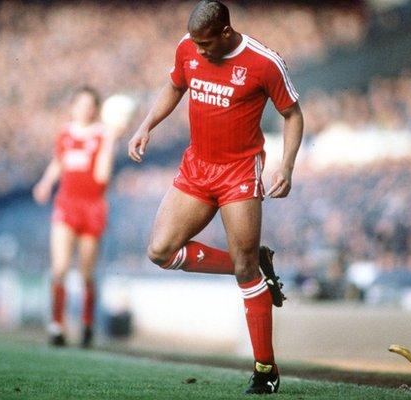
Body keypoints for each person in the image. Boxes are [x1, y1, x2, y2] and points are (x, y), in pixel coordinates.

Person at [128, 1, 304, 394]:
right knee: (161, 251)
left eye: (207, 44)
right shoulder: (188, 47)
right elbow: (175, 85)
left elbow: (293, 114)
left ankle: (265, 370)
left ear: (226, 32)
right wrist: (146, 126)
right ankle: (252, 266)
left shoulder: (264, 62)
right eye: (196, 43)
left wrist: (286, 166)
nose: (200, 51)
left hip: (239, 173)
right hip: (197, 168)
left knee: (245, 274)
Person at [34, 87, 124, 348]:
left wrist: (109, 142)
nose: (86, 109)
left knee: (86, 273)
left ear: (96, 109)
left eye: (90, 105)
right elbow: (59, 161)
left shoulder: (102, 135)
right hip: (66, 204)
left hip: (93, 206)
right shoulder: (65, 133)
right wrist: (45, 182)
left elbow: (102, 177)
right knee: (60, 268)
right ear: (73, 107)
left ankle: (86, 325)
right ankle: (56, 326)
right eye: (81, 104)